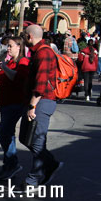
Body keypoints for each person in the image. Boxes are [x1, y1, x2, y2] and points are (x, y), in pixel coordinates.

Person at [22, 24, 63, 188]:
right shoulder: (38, 51)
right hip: (38, 101)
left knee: (37, 141)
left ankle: (34, 179)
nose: (23, 38)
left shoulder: (44, 52)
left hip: (42, 102)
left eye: (24, 35)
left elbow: (41, 82)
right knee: (26, 138)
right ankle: (51, 164)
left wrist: (32, 105)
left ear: (29, 36)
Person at [0, 34, 29, 180]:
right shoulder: (10, 61)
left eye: (11, 45)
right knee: (7, 134)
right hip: (6, 103)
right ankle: (8, 165)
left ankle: (12, 164)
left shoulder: (23, 61)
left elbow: (16, 77)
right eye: (7, 45)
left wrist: (4, 67)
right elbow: (4, 77)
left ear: (19, 47)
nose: (8, 48)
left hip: (15, 103)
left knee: (3, 133)